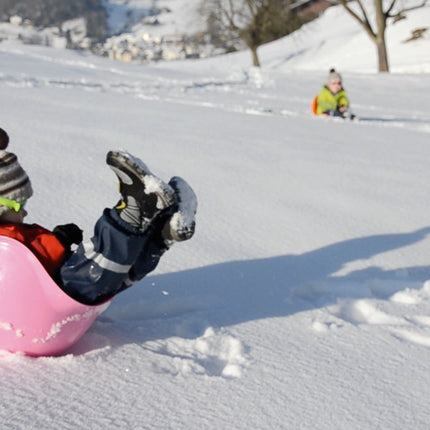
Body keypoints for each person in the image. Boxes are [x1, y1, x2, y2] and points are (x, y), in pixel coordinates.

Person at [0, 127, 197, 305]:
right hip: (39, 313)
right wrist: (58, 241)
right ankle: (135, 212)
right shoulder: (5, 240)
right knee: (87, 274)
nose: (24, 211)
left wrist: (57, 239)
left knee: (116, 272)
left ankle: (160, 232)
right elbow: (27, 264)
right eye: (19, 205)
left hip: (43, 312)